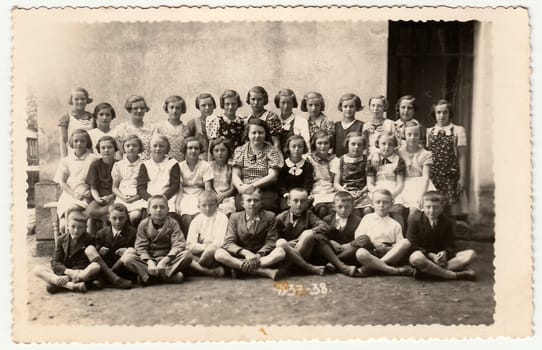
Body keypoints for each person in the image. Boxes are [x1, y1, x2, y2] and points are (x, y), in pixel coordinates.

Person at [214, 188, 286, 280]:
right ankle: (265, 272)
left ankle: (239, 267)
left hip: (261, 256)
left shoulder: (270, 216)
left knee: (280, 252)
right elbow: (229, 242)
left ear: (261, 203)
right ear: (242, 204)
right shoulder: (234, 217)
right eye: (249, 200)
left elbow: (271, 241)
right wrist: (246, 253)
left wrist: (258, 255)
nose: (252, 203)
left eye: (256, 200)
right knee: (219, 254)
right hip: (241, 254)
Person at [121, 195, 193, 285]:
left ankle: (150, 278)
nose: (158, 210)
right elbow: (140, 247)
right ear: (148, 210)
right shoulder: (143, 224)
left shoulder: (173, 223)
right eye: (155, 207)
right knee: (128, 259)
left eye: (162, 207)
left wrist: (164, 261)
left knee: (187, 255)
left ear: (167, 210)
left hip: (168, 260)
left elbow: (178, 244)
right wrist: (150, 262)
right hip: (150, 260)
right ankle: (167, 277)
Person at [407, 191, 476, 280]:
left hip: (441, 260)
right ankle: (453, 275)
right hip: (424, 257)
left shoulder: (447, 221)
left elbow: (449, 243)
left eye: (436, 207)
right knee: (416, 258)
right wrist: (431, 255)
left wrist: (444, 253)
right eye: (428, 207)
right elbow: (412, 244)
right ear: (423, 207)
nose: (431, 211)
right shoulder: (415, 220)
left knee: (471, 254)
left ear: (442, 208)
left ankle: (429, 273)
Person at [33, 209, 98, 294]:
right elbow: (55, 262)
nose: (76, 230)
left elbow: (85, 262)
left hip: (81, 273)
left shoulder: (90, 239)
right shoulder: (61, 239)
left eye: (80, 227)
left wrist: (68, 277)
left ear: (85, 228)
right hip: (66, 272)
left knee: (95, 266)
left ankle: (60, 283)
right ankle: (71, 286)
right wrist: (68, 272)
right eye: (73, 226)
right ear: (67, 226)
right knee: (36, 269)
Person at [353, 189, 413, 277]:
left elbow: (399, 243)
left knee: (405, 242)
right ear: (372, 204)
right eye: (378, 202)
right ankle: (392, 270)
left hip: (389, 254)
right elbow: (358, 236)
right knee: (360, 253)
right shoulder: (367, 218)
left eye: (385, 202)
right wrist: (373, 242)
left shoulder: (395, 224)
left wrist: (390, 248)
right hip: (372, 251)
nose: (381, 205)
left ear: (391, 204)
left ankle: (373, 267)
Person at [232, 118, 284, 213]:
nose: (257, 136)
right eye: (254, 133)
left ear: (265, 134)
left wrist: (252, 186)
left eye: (260, 133)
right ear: (248, 134)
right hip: (245, 188)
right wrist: (240, 187)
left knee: (268, 207)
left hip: (265, 189)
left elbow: (273, 176)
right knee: (241, 207)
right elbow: (235, 175)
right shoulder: (240, 150)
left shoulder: (272, 151)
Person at [426, 100, 468, 216]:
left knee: (449, 209)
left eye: (445, 112)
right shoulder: (429, 131)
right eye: (438, 112)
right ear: (434, 114)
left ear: (450, 114)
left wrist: (462, 178)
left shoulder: (458, 130)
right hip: (433, 175)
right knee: (433, 207)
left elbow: (462, 156)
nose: (441, 116)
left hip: (450, 175)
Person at [54, 129, 98, 233]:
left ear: (87, 142)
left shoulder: (93, 159)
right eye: (76, 141)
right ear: (72, 142)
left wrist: (91, 194)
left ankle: (82, 243)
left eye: (82, 141)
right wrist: (73, 194)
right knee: (63, 226)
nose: (79, 143)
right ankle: (67, 245)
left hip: (86, 196)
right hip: (69, 195)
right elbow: (62, 182)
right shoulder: (66, 160)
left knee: (75, 218)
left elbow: (96, 182)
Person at [275, 188, 327, 276]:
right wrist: (287, 243)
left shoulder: (308, 214)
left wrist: (305, 234)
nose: (299, 205)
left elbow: (324, 226)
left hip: (304, 253)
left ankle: (287, 267)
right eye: (295, 201)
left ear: (307, 203)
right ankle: (309, 268)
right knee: (281, 243)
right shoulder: (280, 217)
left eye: (302, 201)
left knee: (308, 234)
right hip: (287, 252)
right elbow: (274, 237)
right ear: (288, 202)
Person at [366, 131, 407, 230]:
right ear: (378, 144)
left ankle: (399, 236)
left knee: (397, 210)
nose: (386, 147)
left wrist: (391, 196)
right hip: (376, 189)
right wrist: (376, 194)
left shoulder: (399, 160)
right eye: (383, 144)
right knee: (368, 209)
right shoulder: (372, 160)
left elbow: (400, 183)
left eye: (390, 144)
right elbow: (370, 183)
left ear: (395, 146)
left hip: (393, 190)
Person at [315, 191, 362, 277]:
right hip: (331, 251)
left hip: (349, 252)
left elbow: (359, 237)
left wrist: (349, 244)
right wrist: (331, 241)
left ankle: (334, 262)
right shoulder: (327, 219)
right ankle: (339, 264)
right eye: (340, 207)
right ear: (333, 207)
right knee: (318, 237)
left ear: (352, 207)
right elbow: (322, 236)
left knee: (364, 239)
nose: (343, 210)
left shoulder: (358, 220)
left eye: (347, 207)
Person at [176, 137, 214, 233]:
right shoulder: (180, 166)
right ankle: (188, 241)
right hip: (185, 196)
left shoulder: (205, 166)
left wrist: (205, 203)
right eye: (190, 148)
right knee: (186, 218)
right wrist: (177, 204)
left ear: (200, 150)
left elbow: (208, 189)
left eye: (196, 148)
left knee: (199, 216)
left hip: (199, 196)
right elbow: (179, 190)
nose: (193, 151)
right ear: (185, 150)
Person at [396, 121, 435, 216]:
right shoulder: (398, 152)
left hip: (420, 184)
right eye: (409, 134)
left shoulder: (426, 154)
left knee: (414, 211)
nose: (412, 137)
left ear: (420, 135)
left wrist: (422, 194)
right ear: (404, 135)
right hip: (403, 184)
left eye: (416, 134)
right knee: (397, 209)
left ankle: (411, 230)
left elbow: (426, 177)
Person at [136, 134, 180, 217]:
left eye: (162, 146)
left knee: (172, 218)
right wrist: (150, 199)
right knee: (146, 220)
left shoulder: (173, 163)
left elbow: (175, 185)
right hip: (149, 199)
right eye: (155, 146)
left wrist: (163, 198)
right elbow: (141, 187)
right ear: (150, 148)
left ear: (167, 148)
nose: (158, 149)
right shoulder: (145, 165)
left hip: (168, 198)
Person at [186, 191, 228, 277]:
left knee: (214, 250)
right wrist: (205, 247)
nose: (208, 208)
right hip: (200, 252)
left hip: (216, 252)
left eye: (211, 205)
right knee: (186, 254)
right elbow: (190, 244)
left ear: (217, 205)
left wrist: (210, 249)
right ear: (198, 207)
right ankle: (208, 271)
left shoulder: (222, 218)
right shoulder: (196, 220)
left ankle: (199, 267)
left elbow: (220, 242)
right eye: (204, 206)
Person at [93, 203, 137, 282]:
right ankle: (109, 276)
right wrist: (100, 250)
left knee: (130, 251)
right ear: (108, 218)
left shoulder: (133, 233)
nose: (117, 222)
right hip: (107, 266)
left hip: (124, 270)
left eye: (121, 218)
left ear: (126, 217)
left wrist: (126, 250)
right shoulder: (101, 233)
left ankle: (110, 276)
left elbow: (137, 249)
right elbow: (97, 247)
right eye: (114, 218)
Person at [330, 131, 371, 216]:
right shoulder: (339, 160)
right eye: (353, 144)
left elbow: (369, 182)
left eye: (359, 144)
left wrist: (361, 192)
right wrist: (346, 192)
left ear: (363, 146)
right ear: (347, 144)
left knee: (368, 210)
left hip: (362, 193)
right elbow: (336, 184)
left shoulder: (367, 161)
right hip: (345, 192)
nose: (356, 147)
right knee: (352, 212)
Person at [84, 136, 118, 235]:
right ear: (99, 150)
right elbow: (93, 187)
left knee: (112, 211)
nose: (106, 150)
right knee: (90, 211)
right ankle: (92, 240)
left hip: (114, 197)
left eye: (109, 147)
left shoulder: (119, 164)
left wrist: (111, 196)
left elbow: (121, 186)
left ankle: (108, 237)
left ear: (115, 149)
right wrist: (98, 198)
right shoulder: (95, 165)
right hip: (99, 198)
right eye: (103, 148)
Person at [111, 134, 147, 227]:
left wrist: (136, 197)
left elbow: (146, 186)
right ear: (123, 148)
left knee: (135, 216)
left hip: (137, 198)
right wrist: (122, 197)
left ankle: (134, 237)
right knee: (118, 216)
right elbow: (114, 187)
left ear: (139, 148)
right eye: (128, 146)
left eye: (134, 146)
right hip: (122, 197)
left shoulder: (144, 165)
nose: (131, 148)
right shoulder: (118, 165)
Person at [277, 135, 314, 210]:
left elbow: (308, 183)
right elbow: (280, 183)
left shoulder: (307, 165)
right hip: (287, 195)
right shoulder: (283, 164)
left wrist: (303, 194)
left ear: (304, 148)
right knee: (286, 208)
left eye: (300, 147)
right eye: (293, 147)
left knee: (307, 208)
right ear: (288, 148)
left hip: (302, 194)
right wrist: (286, 193)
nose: (297, 149)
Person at [305, 131, 336, 218]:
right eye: (319, 143)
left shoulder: (334, 159)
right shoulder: (309, 159)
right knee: (322, 209)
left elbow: (335, 181)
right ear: (314, 144)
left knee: (332, 210)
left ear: (330, 144)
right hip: (315, 192)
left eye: (326, 143)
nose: (323, 146)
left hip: (331, 191)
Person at [113, 95, 154, 160]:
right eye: (135, 108)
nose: (139, 110)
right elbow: (118, 154)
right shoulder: (121, 129)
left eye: (142, 108)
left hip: (147, 167)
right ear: (129, 110)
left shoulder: (151, 129)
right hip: (128, 167)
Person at [58, 87, 95, 158]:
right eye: (76, 99)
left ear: (87, 100)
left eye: (83, 99)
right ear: (72, 101)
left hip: (89, 155)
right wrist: (64, 159)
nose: (80, 101)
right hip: (73, 155)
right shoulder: (66, 117)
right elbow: (63, 140)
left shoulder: (92, 117)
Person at [246, 86, 282, 150]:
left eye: (259, 99)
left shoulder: (272, 117)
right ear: (249, 100)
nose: (256, 102)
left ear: (264, 100)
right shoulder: (247, 119)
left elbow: (276, 143)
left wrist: (275, 158)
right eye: (253, 99)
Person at [153, 95, 187, 162]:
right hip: (163, 163)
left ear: (182, 109)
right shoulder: (160, 127)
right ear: (167, 109)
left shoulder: (186, 129)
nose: (174, 110)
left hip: (180, 163)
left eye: (178, 108)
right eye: (171, 107)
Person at [184, 93, 216, 160]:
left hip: (217, 158)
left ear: (214, 106)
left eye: (210, 105)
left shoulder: (219, 121)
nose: (207, 108)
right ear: (198, 107)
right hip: (198, 159)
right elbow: (186, 143)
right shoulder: (192, 123)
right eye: (203, 105)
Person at [209, 137, 236, 216]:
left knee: (227, 208)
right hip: (213, 195)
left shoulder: (231, 167)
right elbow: (208, 186)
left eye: (223, 150)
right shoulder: (209, 166)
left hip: (228, 196)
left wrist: (223, 195)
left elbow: (232, 188)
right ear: (212, 153)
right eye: (216, 151)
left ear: (228, 152)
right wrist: (215, 196)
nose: (219, 153)